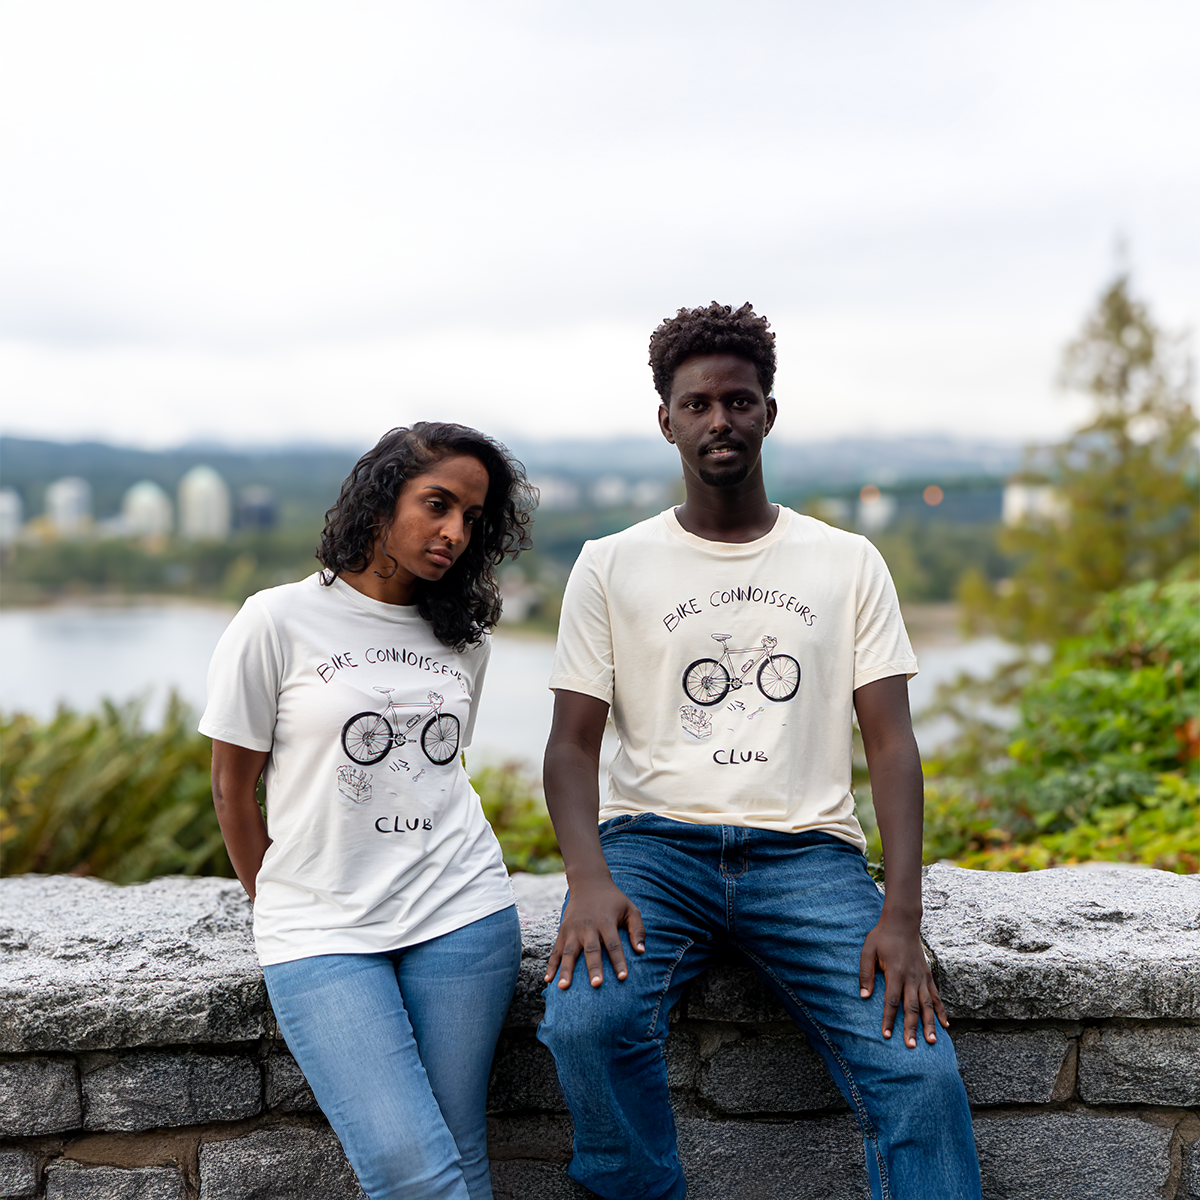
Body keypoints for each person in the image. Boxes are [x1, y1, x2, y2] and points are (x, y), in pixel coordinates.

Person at [537, 303, 982, 1199]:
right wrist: (588, 879)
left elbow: (892, 745)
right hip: (653, 850)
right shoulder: (610, 564)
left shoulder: (847, 560)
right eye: (696, 405)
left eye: (738, 402)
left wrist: (901, 915)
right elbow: (569, 745)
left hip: (809, 856)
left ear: (768, 413)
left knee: (920, 1070)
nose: (719, 421)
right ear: (666, 420)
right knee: (585, 1022)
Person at [200, 422, 536, 1200]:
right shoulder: (275, 620)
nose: (454, 531)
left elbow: (441, 769)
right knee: (408, 1169)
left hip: (464, 910)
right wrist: (278, 898)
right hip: (320, 930)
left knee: (460, 1153)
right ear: (382, 499)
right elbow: (231, 785)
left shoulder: (464, 639)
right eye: (438, 504)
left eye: (473, 517)